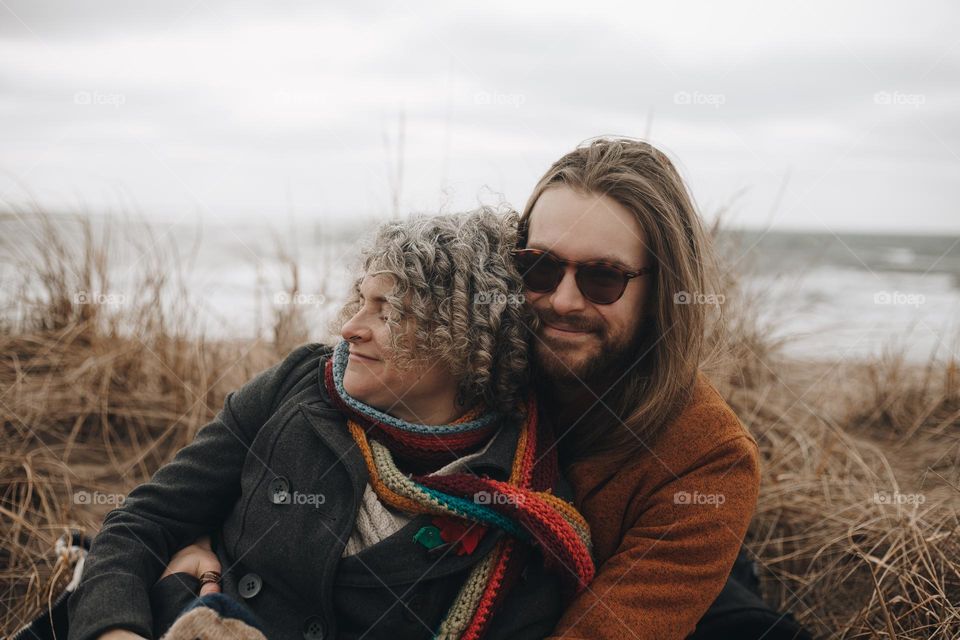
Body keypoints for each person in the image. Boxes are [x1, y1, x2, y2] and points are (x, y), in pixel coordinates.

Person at [160, 138, 802, 639]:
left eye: (604, 279)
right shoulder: (478, 356)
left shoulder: (707, 461)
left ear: (662, 289)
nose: (561, 301)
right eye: (540, 266)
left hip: (625, 586)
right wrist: (207, 547)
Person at [66, 208, 596, 640]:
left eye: (386, 312)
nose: (350, 327)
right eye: (361, 300)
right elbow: (145, 519)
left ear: (465, 341)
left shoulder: (525, 502)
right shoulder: (297, 384)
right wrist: (116, 630)